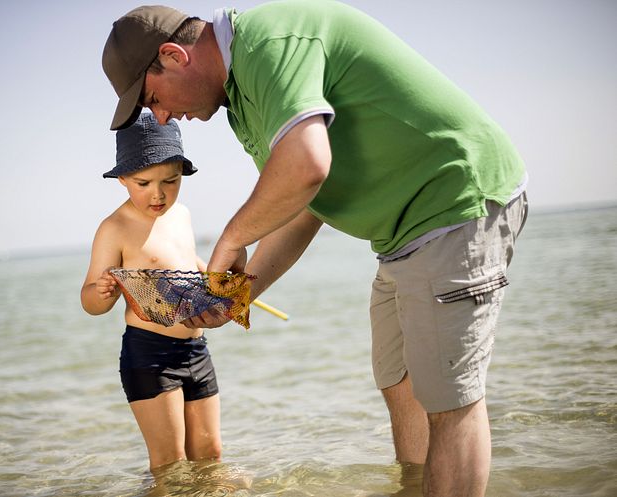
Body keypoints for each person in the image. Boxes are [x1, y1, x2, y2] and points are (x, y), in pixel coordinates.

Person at [100, 1, 528, 495]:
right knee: (401, 381)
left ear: (175, 56)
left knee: (450, 402)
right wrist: (238, 294)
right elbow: (305, 203)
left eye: (152, 98)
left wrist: (233, 240)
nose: (161, 115)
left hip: (456, 206)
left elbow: (305, 166)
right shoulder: (239, 99)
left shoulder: (268, 45)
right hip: (400, 237)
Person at [80, 112, 222, 471]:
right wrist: (103, 291)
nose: (158, 194)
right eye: (143, 183)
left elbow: (192, 263)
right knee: (169, 465)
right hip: (150, 355)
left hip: (197, 350)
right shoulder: (115, 228)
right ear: (123, 179)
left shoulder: (182, 215)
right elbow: (91, 302)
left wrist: (222, 283)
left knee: (210, 458)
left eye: (170, 181)